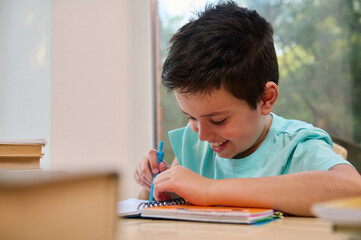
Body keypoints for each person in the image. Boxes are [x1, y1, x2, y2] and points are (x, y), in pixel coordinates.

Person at [134, 0, 361, 216]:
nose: (202, 135)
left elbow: (353, 189)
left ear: (265, 98)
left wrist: (209, 190)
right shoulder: (194, 146)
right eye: (191, 118)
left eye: (218, 120)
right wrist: (154, 185)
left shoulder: (295, 147)